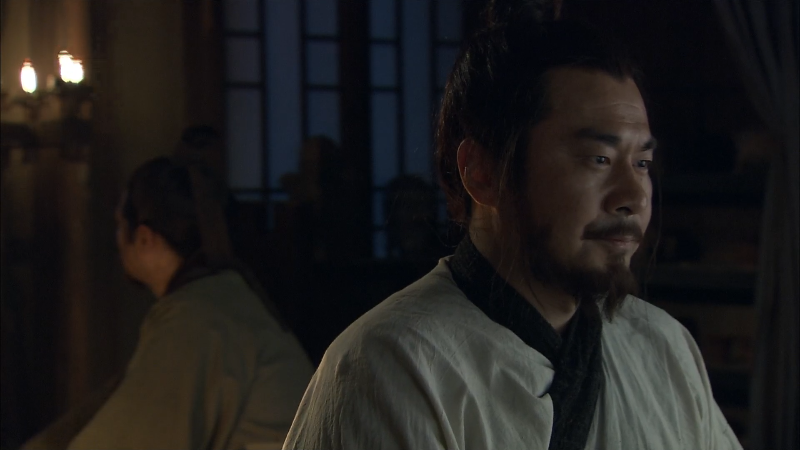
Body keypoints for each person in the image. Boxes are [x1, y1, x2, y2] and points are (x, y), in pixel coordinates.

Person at [282, 3, 742, 450]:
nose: (634, 197)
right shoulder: (392, 365)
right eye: (598, 159)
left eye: (642, 163)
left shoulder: (664, 346)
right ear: (483, 172)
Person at [65, 153, 314, 449]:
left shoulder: (198, 316)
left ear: (144, 238)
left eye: (120, 225)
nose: (117, 240)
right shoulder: (217, 298)